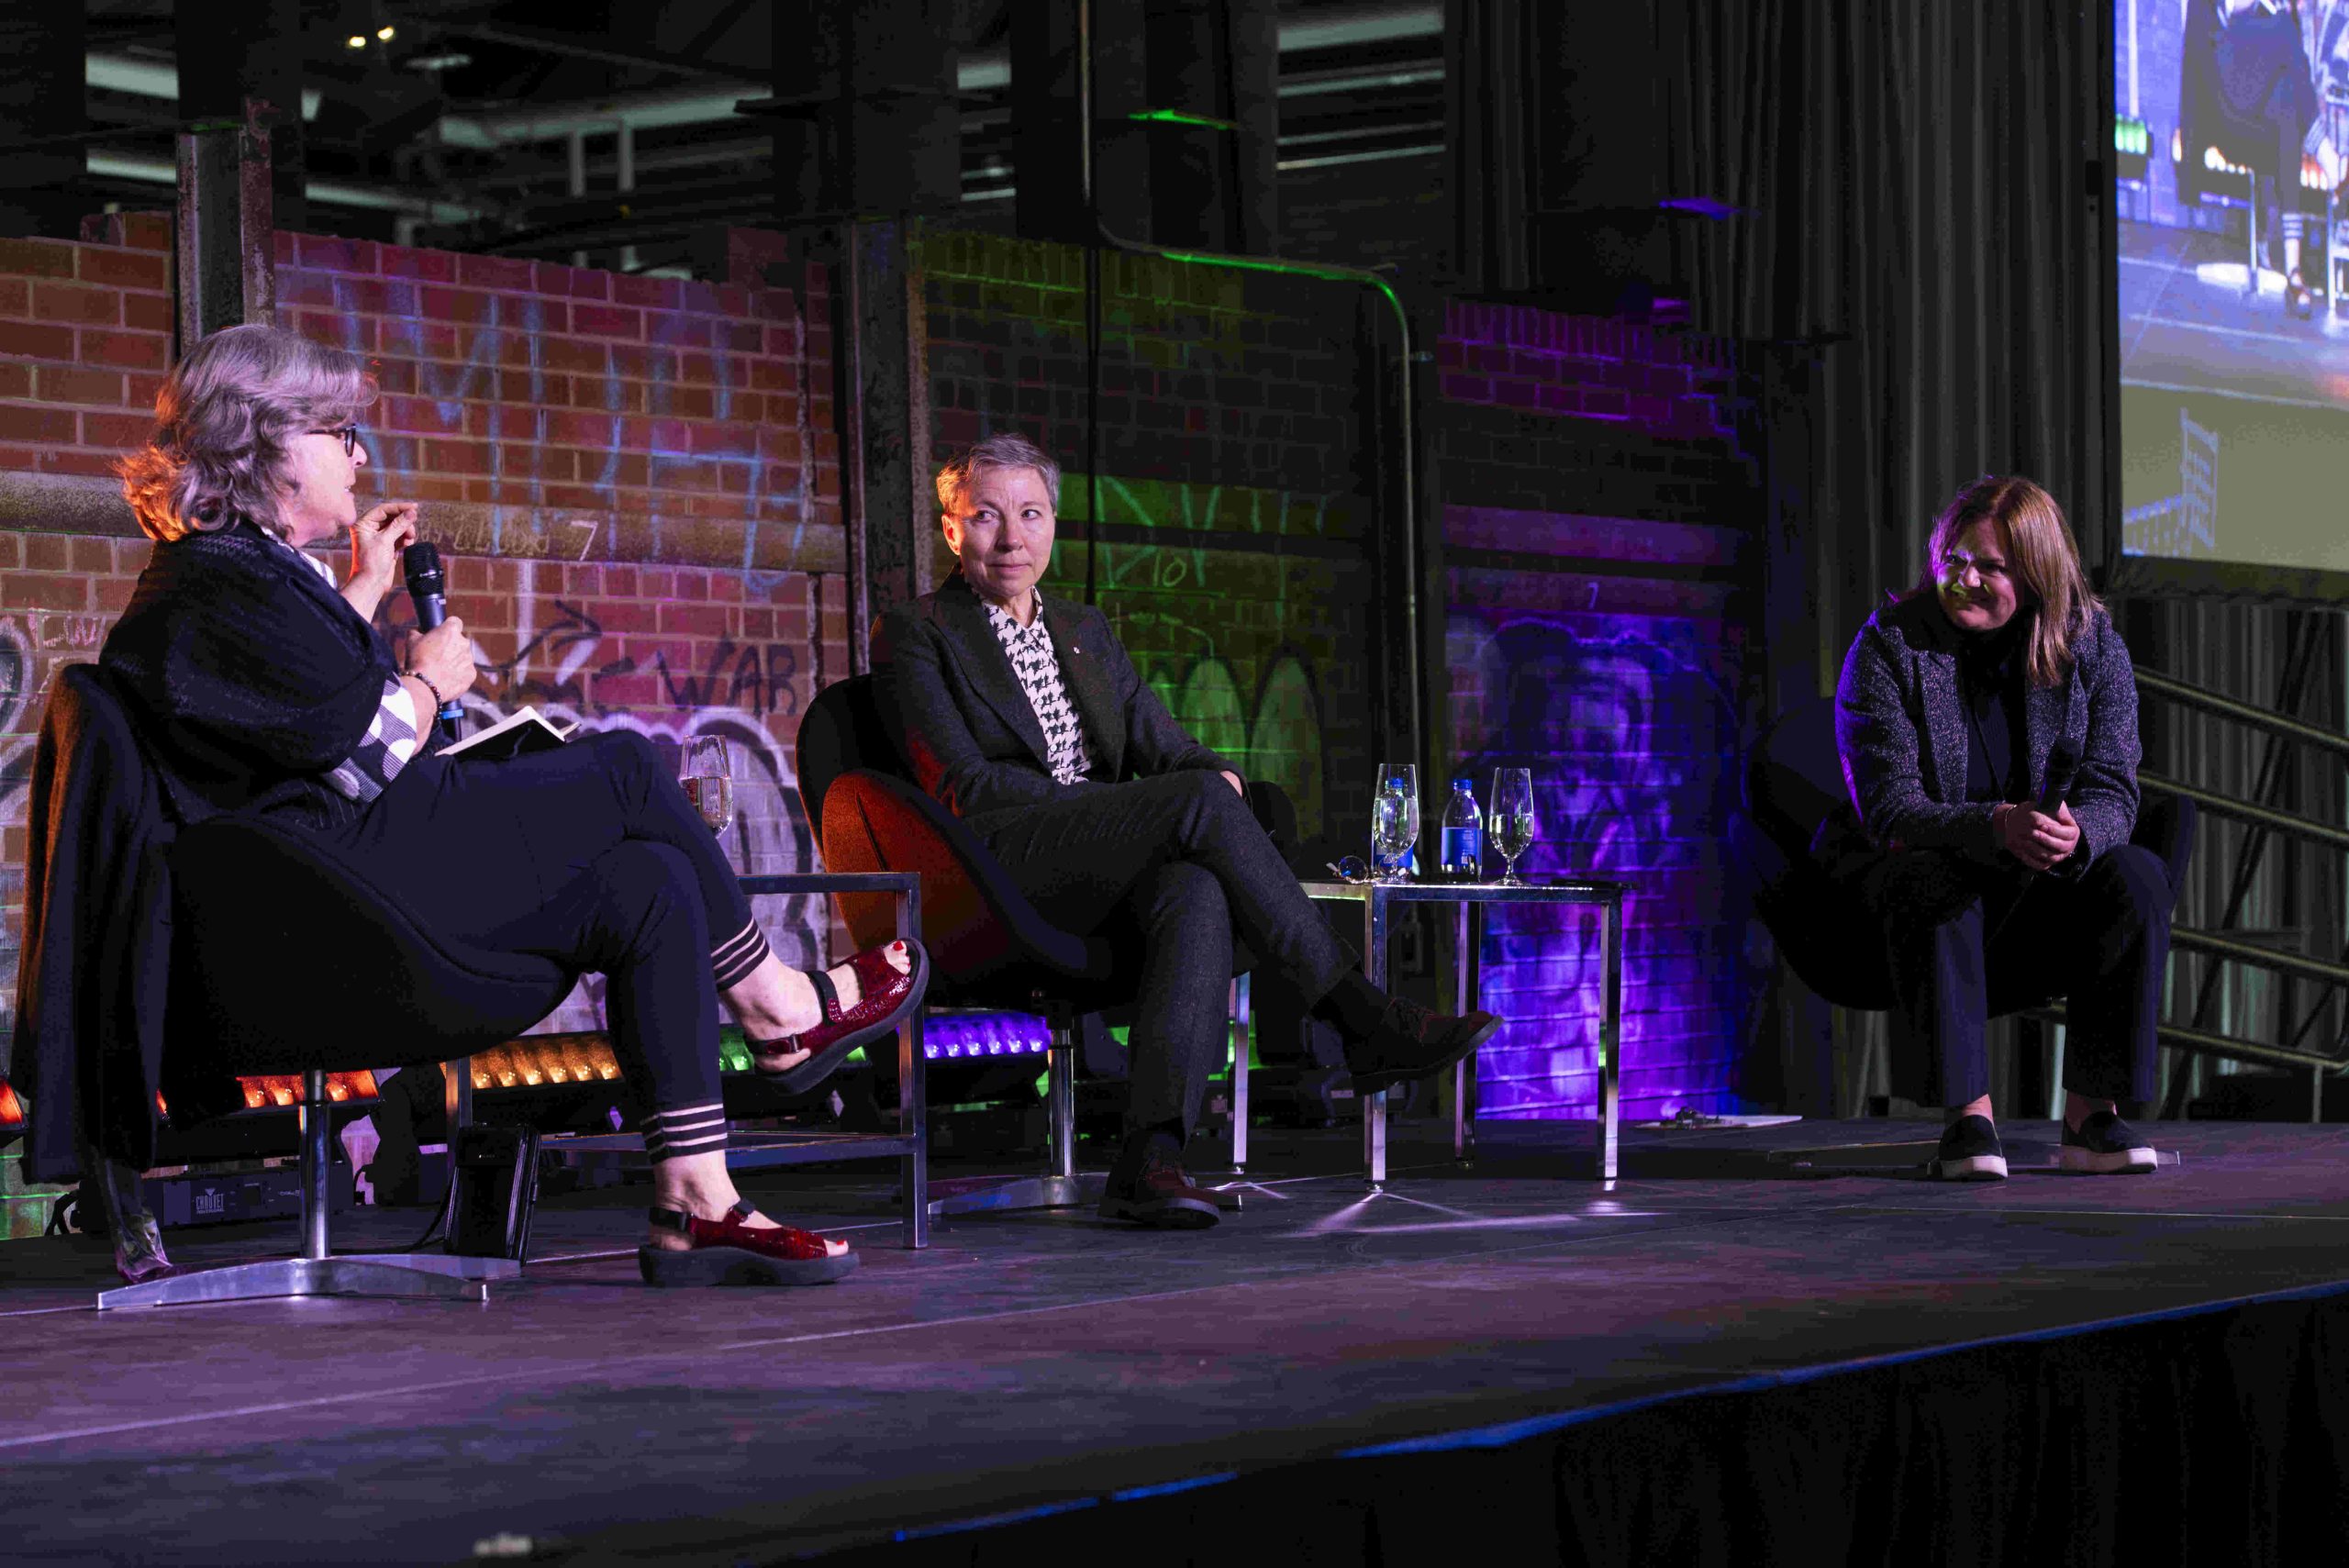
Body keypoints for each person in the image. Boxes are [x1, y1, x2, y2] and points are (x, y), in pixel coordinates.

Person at [91, 323, 928, 1286]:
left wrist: (359, 595)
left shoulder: (238, 577)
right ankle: (779, 1003)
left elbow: (295, 729)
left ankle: (697, 1198)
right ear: (268, 444)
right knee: (624, 770)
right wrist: (432, 686)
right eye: (336, 430)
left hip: (346, 890)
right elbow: (353, 761)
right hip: (330, 932)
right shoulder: (213, 587)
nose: (357, 454)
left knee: (646, 880)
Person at [872, 433, 1501, 1228]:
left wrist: (1217, 780)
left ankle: (1150, 1160)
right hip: (994, 867)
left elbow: (1164, 744)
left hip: (1095, 869)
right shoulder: (916, 632)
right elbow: (965, 787)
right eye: (987, 516)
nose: (1012, 537)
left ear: (1053, 525)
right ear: (952, 529)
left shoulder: (1085, 631)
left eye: (1030, 514)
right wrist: (1147, 803)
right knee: (1193, 805)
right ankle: (1359, 1016)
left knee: (1195, 883)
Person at [1828, 475, 2170, 1181]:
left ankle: (2090, 1118)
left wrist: (2079, 834)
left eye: (1990, 566)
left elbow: (2114, 786)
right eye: (1953, 560)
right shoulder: (1889, 646)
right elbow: (1890, 808)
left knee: (2135, 872)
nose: (1964, 579)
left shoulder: (2090, 645)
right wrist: (1996, 824)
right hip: (1933, 899)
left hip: (2043, 891)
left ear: (2039, 572)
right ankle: (1969, 1121)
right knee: (1928, 875)